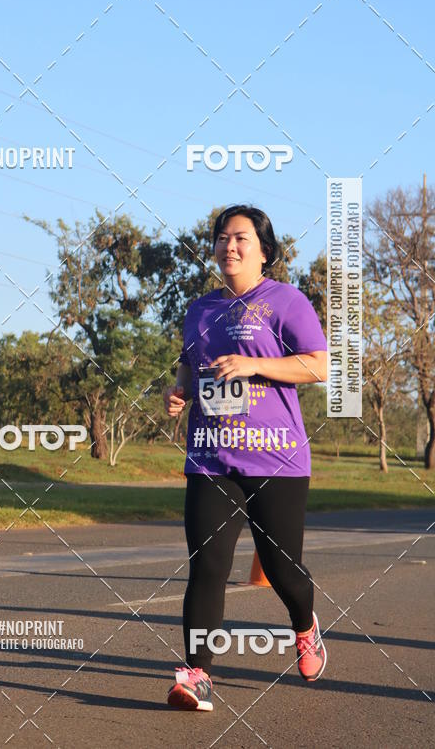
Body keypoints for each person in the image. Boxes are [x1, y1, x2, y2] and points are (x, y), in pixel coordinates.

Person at [164, 204, 328, 712]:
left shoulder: (286, 301)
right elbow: (192, 367)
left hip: (276, 460)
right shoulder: (200, 310)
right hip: (212, 457)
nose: (228, 246)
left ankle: (305, 626)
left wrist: (253, 362)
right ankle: (198, 676)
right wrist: (180, 391)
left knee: (282, 570)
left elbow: (318, 365)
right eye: (221, 238)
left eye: (240, 238)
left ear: (265, 252)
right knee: (207, 567)